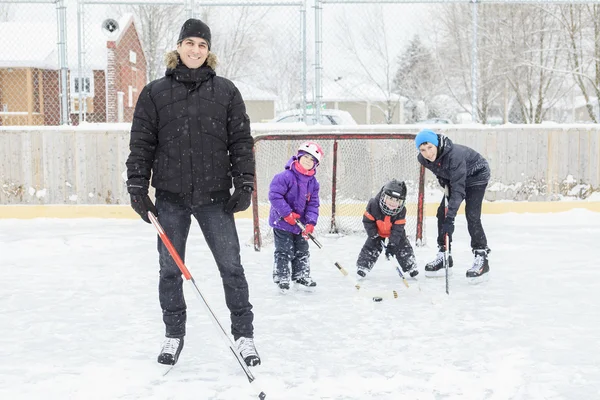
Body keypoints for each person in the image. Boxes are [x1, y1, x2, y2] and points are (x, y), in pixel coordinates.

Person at [125, 18, 260, 367]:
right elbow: (141, 144)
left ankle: (244, 336)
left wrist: (244, 182)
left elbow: (241, 142)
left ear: (209, 51)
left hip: (216, 198)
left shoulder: (226, 92)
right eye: (190, 43)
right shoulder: (155, 93)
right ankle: (173, 335)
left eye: (202, 45)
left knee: (231, 267)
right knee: (170, 270)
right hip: (170, 198)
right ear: (179, 46)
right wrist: (137, 187)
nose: (196, 50)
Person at [415, 129, 491, 280]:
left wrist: (451, 218)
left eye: (430, 147)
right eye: (423, 150)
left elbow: (458, 191)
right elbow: (440, 170)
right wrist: (443, 180)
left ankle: (481, 255)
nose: (428, 153)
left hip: (477, 175)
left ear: (436, 144)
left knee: (472, 215)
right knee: (441, 213)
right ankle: (444, 254)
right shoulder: (423, 159)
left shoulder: (454, 156)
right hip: (456, 177)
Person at [268, 142, 323, 293]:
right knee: (284, 250)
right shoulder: (285, 176)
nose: (307, 161)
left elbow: (313, 203)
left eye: (312, 159)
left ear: (315, 164)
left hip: (301, 224)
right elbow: (274, 195)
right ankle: (282, 277)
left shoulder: (313, 183)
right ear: (298, 157)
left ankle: (301, 276)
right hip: (282, 222)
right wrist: (287, 214)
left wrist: (311, 223)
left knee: (302, 250)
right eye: (305, 157)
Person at [355, 179, 419, 280]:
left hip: (394, 232)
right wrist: (373, 234)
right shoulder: (373, 204)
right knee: (371, 247)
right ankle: (363, 266)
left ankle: (410, 266)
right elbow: (367, 221)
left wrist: (392, 244)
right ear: (383, 196)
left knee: (402, 246)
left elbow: (398, 229)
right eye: (391, 198)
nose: (393, 203)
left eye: (398, 201)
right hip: (377, 232)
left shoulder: (401, 211)